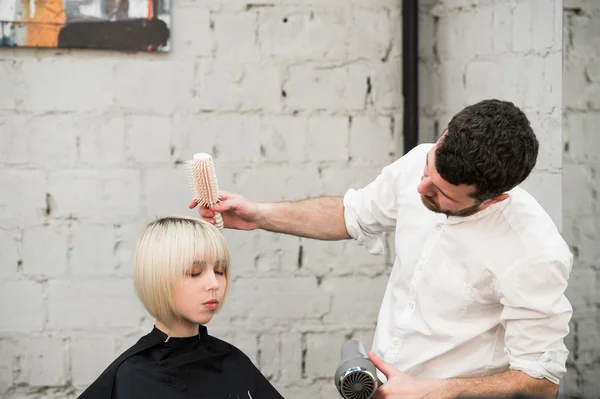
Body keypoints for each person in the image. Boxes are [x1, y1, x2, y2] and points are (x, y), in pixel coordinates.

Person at [192, 99, 573, 398]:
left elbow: (540, 381)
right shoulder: (417, 165)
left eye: (440, 193)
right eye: (429, 171)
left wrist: (435, 392)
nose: (422, 188)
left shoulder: (534, 253)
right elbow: (352, 214)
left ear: (493, 199)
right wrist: (258, 215)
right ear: (443, 136)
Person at [78, 216, 284, 399]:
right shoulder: (129, 376)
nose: (214, 283)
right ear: (159, 278)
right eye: (195, 272)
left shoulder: (233, 362)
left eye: (220, 271)